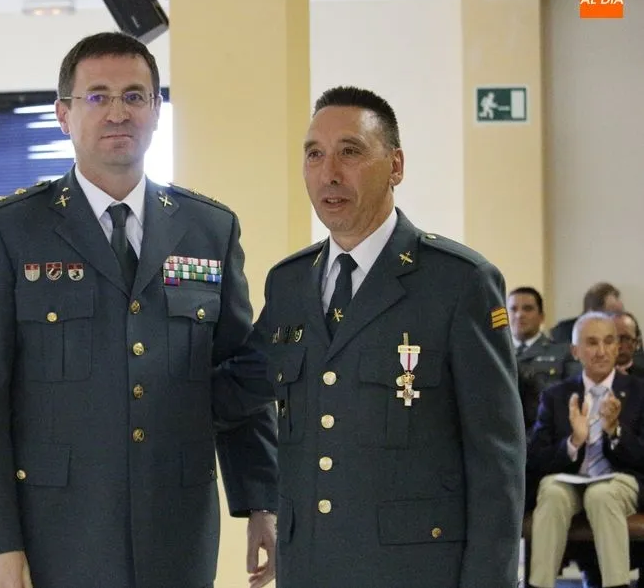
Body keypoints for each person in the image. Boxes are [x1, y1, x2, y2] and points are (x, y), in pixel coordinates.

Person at [0, 31, 278, 588]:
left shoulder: (209, 229)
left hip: (177, 527)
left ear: (156, 112)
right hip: (57, 529)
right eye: (97, 96)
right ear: (63, 115)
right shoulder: (12, 230)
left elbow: (240, 378)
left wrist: (262, 500)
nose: (118, 112)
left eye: (135, 96)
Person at [248, 86, 525, 587]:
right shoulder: (289, 284)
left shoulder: (457, 282)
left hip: (414, 572)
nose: (329, 173)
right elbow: (240, 391)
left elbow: (496, 460)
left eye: (350, 152)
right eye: (314, 154)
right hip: (309, 568)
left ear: (395, 166)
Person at [527, 311, 644, 588]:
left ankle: (616, 584)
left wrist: (615, 431)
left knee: (601, 494)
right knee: (551, 490)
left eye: (609, 341)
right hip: (570, 481)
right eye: (592, 343)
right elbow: (536, 460)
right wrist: (573, 442)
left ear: (617, 347)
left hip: (620, 481)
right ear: (575, 351)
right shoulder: (556, 396)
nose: (601, 351)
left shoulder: (639, 392)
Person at [507, 286, 580, 429]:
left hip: (545, 429)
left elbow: (571, 396)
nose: (519, 315)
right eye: (513, 309)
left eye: (527, 309)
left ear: (542, 317)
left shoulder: (563, 352)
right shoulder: (496, 353)